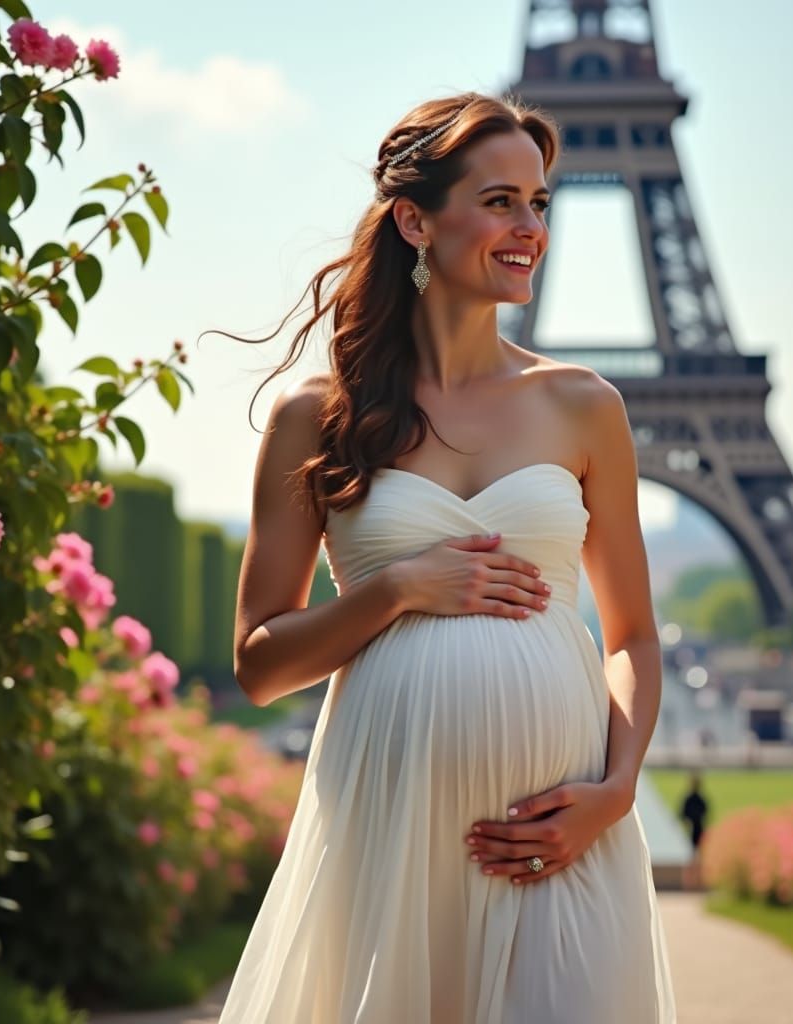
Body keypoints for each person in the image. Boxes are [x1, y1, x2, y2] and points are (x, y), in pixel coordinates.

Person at [217, 91, 677, 1023]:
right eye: (500, 200)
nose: (530, 226)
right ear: (415, 219)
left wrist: (617, 790)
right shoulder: (317, 415)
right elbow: (260, 664)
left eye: (538, 202)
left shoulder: (585, 406)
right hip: (390, 832)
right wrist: (396, 589)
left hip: (560, 833)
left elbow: (630, 634)